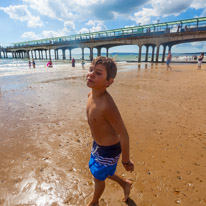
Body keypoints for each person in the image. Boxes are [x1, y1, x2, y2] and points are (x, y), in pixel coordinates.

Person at [86, 56, 134, 206]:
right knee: (103, 171)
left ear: (109, 82)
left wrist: (125, 160)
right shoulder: (91, 94)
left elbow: (124, 134)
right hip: (98, 145)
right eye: (91, 69)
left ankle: (94, 202)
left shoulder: (107, 105)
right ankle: (125, 184)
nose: (91, 74)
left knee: (98, 178)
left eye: (98, 73)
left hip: (109, 150)